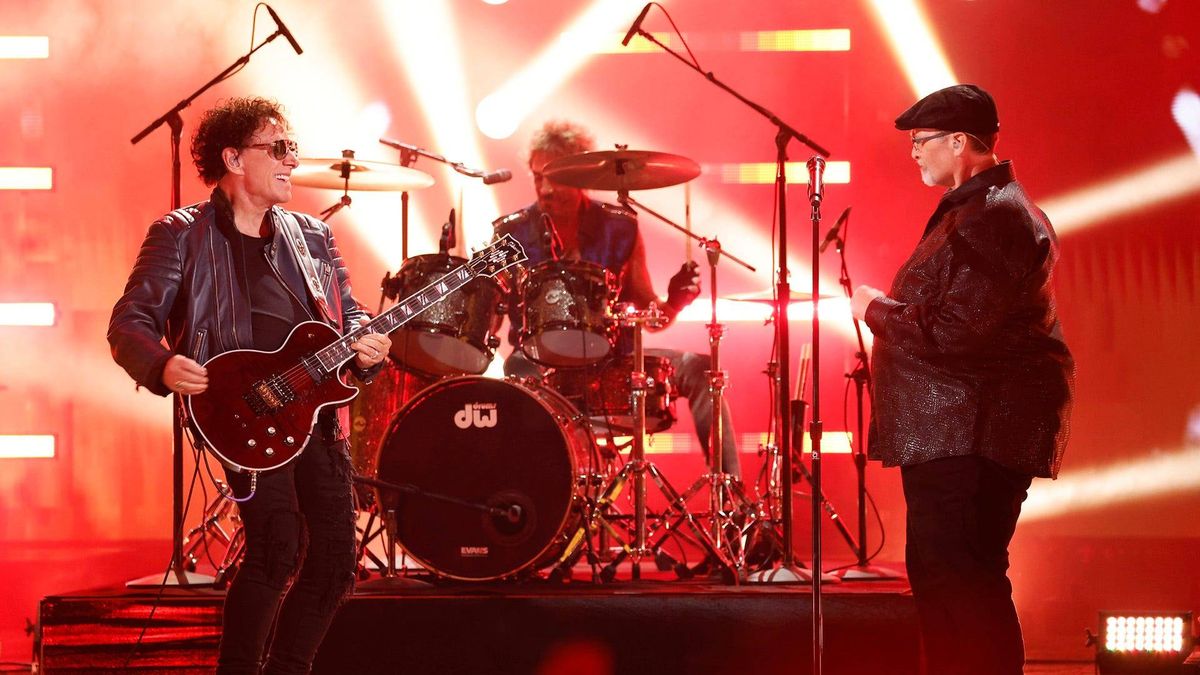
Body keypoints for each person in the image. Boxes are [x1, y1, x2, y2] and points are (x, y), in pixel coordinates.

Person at [108, 97, 391, 675]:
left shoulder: (312, 236)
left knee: (337, 559)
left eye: (293, 147)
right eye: (278, 148)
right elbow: (129, 321)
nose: (292, 159)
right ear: (234, 158)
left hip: (310, 413)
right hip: (241, 409)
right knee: (275, 548)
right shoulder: (181, 234)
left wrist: (365, 349)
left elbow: (348, 314)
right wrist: (160, 364)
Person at [850, 84, 1074, 675]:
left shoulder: (997, 216)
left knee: (964, 581)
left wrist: (874, 308)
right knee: (944, 580)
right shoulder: (979, 210)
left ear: (958, 142)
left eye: (921, 142)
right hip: (954, 430)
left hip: (973, 433)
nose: (914, 153)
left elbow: (957, 332)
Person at [493, 119, 740, 480]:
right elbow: (491, 314)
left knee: (701, 368)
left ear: (580, 176)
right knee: (513, 376)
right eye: (536, 177)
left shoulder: (619, 226)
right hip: (537, 365)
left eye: (556, 177)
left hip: (611, 363)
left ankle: (730, 499)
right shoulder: (510, 231)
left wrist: (674, 302)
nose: (545, 189)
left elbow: (649, 319)